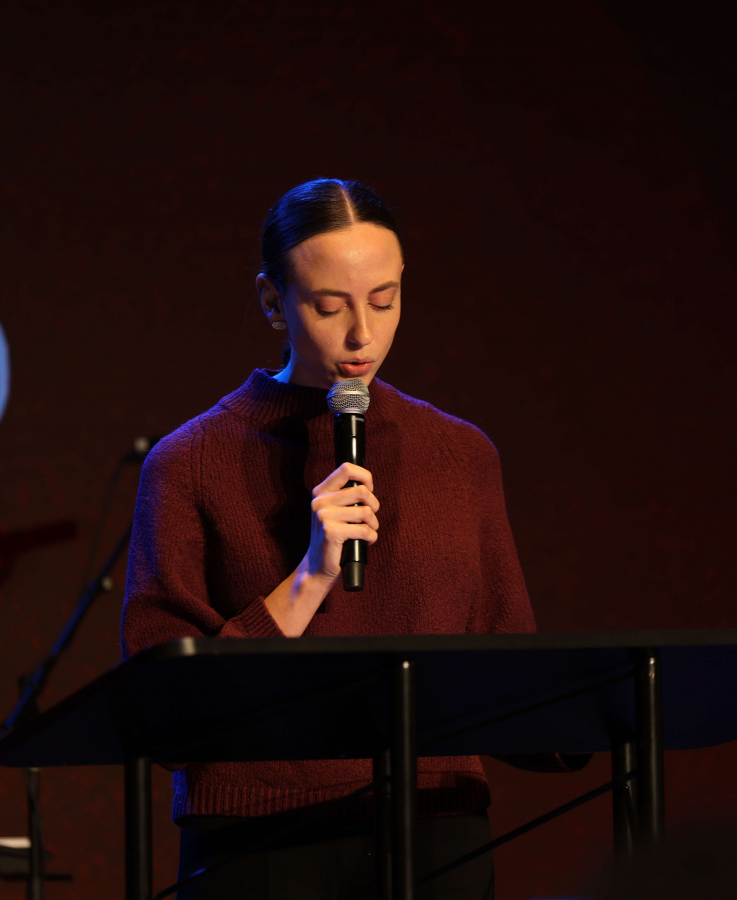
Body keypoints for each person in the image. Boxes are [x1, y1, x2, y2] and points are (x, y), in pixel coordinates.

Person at [120, 178, 574, 899]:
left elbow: (503, 655)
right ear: (273, 301)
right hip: (262, 840)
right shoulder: (190, 461)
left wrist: (594, 717)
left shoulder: (460, 455)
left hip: (437, 830)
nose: (362, 333)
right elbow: (165, 711)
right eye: (330, 307)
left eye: (384, 301)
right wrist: (308, 579)